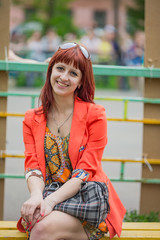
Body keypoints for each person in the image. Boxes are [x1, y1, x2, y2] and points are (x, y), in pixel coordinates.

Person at [17, 42, 126, 240]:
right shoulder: (31, 118)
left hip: (88, 204)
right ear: (51, 71)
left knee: (41, 229)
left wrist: (48, 202)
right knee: (40, 222)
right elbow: (33, 167)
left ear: (81, 82)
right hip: (51, 198)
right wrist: (36, 197)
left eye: (73, 73)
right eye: (60, 68)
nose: (64, 77)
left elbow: (84, 171)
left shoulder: (95, 115)